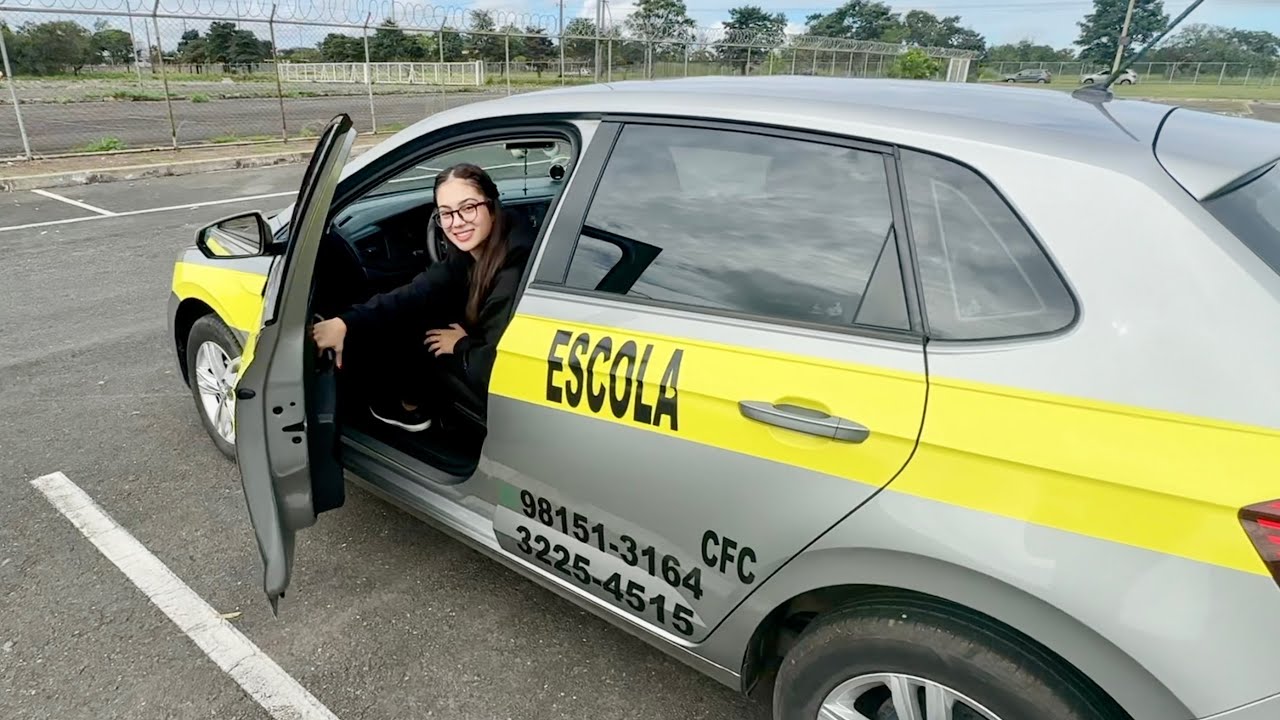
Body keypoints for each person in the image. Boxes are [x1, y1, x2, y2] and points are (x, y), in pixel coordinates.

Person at [311, 162, 530, 432]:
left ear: (492, 207)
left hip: (502, 391)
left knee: (423, 337)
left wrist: (462, 345)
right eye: (446, 213)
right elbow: (418, 292)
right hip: (483, 352)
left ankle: (413, 410)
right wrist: (346, 323)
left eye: (468, 208)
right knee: (417, 313)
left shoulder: (513, 270)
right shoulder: (472, 254)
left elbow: (501, 369)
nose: (457, 222)